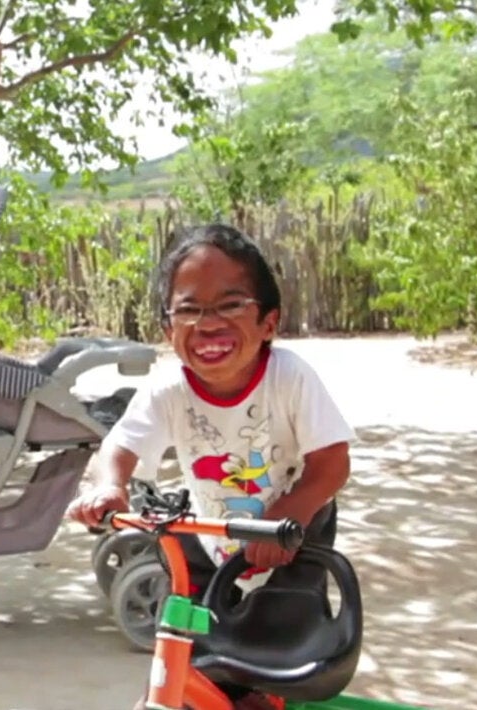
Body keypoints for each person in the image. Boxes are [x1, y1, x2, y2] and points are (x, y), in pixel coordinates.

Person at [66, 224, 355, 710]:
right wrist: (109, 487)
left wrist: (289, 512)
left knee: (279, 658)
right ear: (168, 330)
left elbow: (331, 463)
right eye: (189, 309)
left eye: (230, 305)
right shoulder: (168, 390)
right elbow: (119, 446)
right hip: (210, 538)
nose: (208, 323)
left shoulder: (289, 378)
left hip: (292, 535)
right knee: (193, 652)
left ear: (268, 322)